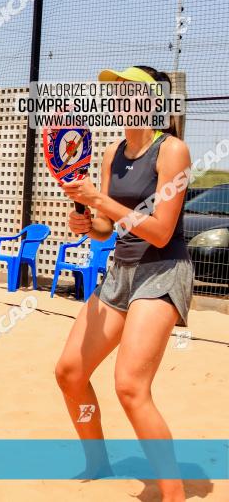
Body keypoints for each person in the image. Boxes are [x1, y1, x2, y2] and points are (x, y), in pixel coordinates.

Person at [55, 66, 192, 501]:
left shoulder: (172, 151)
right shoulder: (113, 152)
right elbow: (105, 228)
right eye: (115, 92)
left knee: (131, 387)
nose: (118, 98)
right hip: (121, 269)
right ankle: (98, 462)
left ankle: (172, 494)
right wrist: (86, 219)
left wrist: (101, 200)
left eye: (129, 91)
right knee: (70, 373)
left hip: (162, 270)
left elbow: (160, 232)